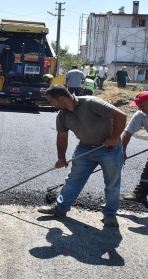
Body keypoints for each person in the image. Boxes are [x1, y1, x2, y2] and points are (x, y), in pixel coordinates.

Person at [38, 85, 127, 227]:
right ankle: (60, 208)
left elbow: (120, 116)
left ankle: (110, 214)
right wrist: (61, 158)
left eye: (51, 101)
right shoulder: (62, 116)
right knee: (73, 179)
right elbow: (62, 137)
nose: (51, 104)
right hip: (84, 148)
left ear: (61, 98)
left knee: (112, 183)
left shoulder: (91, 103)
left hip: (108, 148)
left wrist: (114, 137)